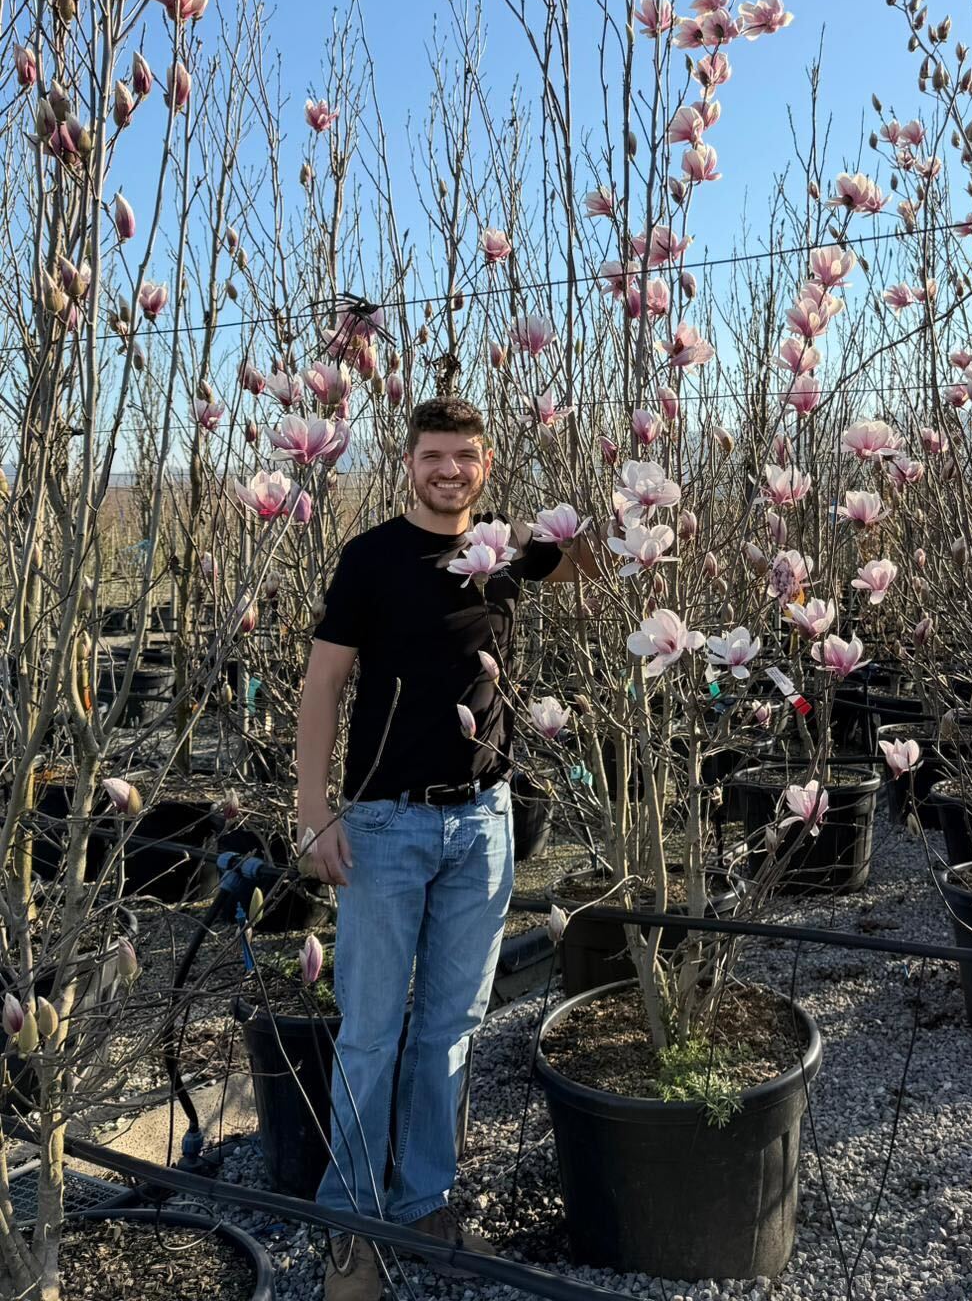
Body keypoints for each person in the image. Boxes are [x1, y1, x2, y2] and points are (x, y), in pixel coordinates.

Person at [296, 396, 581, 1301]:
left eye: (464, 455)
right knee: (372, 1033)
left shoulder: (495, 552)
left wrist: (607, 525)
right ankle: (350, 1224)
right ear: (407, 462)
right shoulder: (372, 558)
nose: (449, 469)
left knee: (451, 1028)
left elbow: (584, 568)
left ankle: (427, 1199)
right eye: (433, 455)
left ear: (486, 465)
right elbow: (323, 684)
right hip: (386, 824)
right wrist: (315, 811)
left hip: (485, 822)